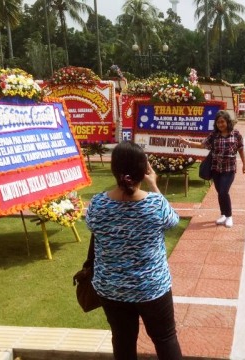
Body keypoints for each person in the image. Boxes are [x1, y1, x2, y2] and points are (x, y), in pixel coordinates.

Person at [85, 141, 182, 360]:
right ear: (144, 170)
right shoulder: (156, 204)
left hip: (112, 289)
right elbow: (173, 221)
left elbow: (92, 225)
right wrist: (154, 185)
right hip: (152, 287)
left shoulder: (98, 204)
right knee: (165, 338)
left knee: (122, 339)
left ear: (114, 169)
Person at [179, 110, 245, 228]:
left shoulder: (236, 134)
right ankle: (223, 215)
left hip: (229, 169)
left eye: (222, 122)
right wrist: (187, 142)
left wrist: (244, 164)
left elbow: (240, 149)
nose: (220, 125)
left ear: (227, 122)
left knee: (224, 191)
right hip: (216, 169)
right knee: (220, 193)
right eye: (218, 123)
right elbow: (202, 144)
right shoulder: (214, 135)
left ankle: (229, 216)